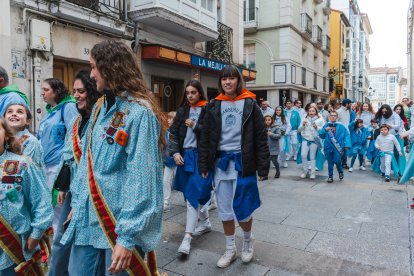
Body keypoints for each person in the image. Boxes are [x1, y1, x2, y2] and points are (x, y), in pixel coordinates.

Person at [60, 40, 163, 275]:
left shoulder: (140, 112)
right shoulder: (98, 108)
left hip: (116, 227)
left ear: (111, 68)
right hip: (86, 221)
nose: (92, 74)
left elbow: (142, 180)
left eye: (94, 67)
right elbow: (87, 163)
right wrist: (77, 203)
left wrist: (127, 238)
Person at [198, 65, 269, 268]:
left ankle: (247, 241)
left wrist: (263, 168)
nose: (227, 82)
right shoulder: (213, 105)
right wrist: (203, 163)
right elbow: (206, 138)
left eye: (231, 78)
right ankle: (230, 248)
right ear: (220, 82)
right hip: (221, 164)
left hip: (243, 164)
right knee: (225, 211)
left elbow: (260, 137)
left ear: (238, 81)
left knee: (244, 209)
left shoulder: (250, 104)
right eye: (224, 79)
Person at [48, 70, 101, 276]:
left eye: (81, 91)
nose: (76, 95)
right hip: (73, 189)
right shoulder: (77, 121)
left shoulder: (99, 121)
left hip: (91, 192)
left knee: (81, 242)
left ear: (92, 91)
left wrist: (81, 201)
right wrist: (63, 185)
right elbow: (67, 154)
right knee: (62, 237)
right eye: (74, 91)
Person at [0, 118, 53, 275]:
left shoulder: (22, 164)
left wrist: (35, 236)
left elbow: (42, 201)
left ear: (7, 135)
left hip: (14, 249)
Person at [169, 79, 213, 255]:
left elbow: (212, 133)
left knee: (194, 195)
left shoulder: (208, 109)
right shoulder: (182, 111)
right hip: (184, 157)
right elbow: (172, 135)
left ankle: (187, 238)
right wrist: (174, 153)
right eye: (187, 93)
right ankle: (206, 222)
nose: (190, 95)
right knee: (189, 196)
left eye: (193, 92)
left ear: (200, 93)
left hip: (200, 157)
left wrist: (195, 125)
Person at [37, 78, 78, 235]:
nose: (42, 93)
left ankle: (59, 243)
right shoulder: (51, 111)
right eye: (42, 89)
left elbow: (73, 136)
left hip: (58, 167)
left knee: (58, 207)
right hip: (45, 167)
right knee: (50, 206)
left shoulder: (67, 108)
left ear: (56, 91)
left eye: (46, 90)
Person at [319, 111, 351, 183]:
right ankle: (330, 176)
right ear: (329, 117)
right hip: (328, 147)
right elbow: (321, 135)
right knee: (330, 162)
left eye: (334, 115)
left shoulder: (341, 126)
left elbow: (347, 135)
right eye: (331, 115)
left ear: (337, 117)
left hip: (338, 147)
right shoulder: (326, 125)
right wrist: (324, 130)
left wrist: (347, 145)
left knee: (337, 161)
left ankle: (340, 171)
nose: (333, 117)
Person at [297, 106, 325, 179]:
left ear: (316, 112)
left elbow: (323, 130)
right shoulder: (304, 119)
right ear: (308, 112)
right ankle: (305, 171)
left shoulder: (320, 120)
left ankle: (313, 173)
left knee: (312, 157)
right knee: (303, 155)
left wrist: (317, 127)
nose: (311, 113)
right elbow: (299, 130)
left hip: (314, 140)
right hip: (305, 139)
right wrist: (303, 125)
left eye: (313, 111)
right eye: (310, 111)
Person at [163, 111, 177, 212]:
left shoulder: (179, 131)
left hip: (178, 162)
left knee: (183, 183)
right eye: (168, 118)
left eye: (170, 118)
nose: (168, 120)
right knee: (166, 182)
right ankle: (166, 202)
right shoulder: (166, 131)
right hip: (168, 162)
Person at [264, 115, 282, 179]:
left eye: (269, 120)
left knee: (274, 161)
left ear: (272, 120)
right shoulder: (263, 128)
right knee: (266, 163)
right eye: (266, 120)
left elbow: (279, 136)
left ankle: (278, 171)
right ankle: (265, 175)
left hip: (274, 148)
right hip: (266, 148)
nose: (267, 121)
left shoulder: (276, 127)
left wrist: (272, 134)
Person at [337, 99, 353, 169]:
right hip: (340, 133)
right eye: (350, 104)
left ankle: (344, 163)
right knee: (340, 148)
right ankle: (339, 163)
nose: (351, 105)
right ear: (346, 104)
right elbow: (336, 122)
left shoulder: (348, 111)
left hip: (347, 133)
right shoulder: (338, 111)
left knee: (346, 148)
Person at [284, 99, 301, 164]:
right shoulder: (284, 112)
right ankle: (288, 155)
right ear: (286, 104)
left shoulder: (296, 112)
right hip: (286, 130)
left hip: (294, 130)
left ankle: (295, 155)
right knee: (287, 143)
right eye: (287, 103)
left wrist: (298, 129)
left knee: (294, 143)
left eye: (289, 103)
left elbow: (299, 121)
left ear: (292, 104)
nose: (288, 105)